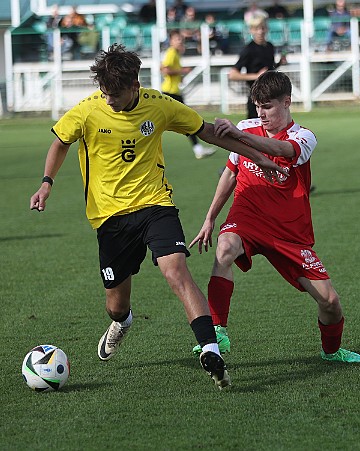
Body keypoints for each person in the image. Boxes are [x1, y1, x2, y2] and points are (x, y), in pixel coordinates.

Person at [29, 44, 286, 390]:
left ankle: (210, 350)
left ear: (135, 85)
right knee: (115, 306)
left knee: (176, 270)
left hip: (155, 206)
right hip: (109, 218)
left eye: (115, 94)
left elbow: (206, 131)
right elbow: (60, 141)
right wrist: (47, 183)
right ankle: (124, 321)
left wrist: (259, 156)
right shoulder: (88, 111)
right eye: (104, 93)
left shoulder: (160, 105)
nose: (109, 101)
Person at [190, 70, 360, 365]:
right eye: (257, 106)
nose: (261, 114)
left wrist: (239, 135)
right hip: (248, 216)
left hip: (288, 231)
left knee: (330, 302)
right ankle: (218, 330)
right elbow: (230, 173)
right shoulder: (248, 127)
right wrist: (210, 218)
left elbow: (284, 150)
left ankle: (332, 351)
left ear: (287, 102)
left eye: (268, 107)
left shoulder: (303, 136)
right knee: (225, 249)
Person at [161, 29, 216, 159]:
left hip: (173, 92)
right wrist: (182, 70)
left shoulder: (175, 53)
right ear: (171, 41)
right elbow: (165, 69)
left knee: (185, 120)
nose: (180, 41)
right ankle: (198, 148)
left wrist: (179, 75)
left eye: (181, 39)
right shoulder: (171, 52)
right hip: (170, 92)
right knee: (188, 120)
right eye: (176, 39)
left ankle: (198, 148)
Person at [228, 16, 286, 119]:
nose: (260, 31)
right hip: (256, 97)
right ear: (251, 30)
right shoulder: (248, 49)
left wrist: (279, 63)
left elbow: (268, 70)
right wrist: (256, 76)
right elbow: (233, 75)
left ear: (267, 29)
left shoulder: (269, 46)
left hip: (271, 96)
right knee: (254, 131)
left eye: (263, 28)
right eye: (256, 29)